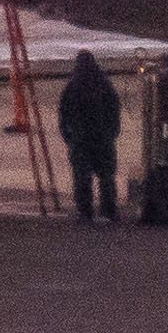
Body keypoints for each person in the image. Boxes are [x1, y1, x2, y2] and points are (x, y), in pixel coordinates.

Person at [57, 48, 123, 224]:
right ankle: (108, 210)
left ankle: (85, 211)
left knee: (82, 177)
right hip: (101, 138)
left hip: (81, 139)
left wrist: (67, 134)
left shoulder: (73, 86)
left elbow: (63, 113)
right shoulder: (103, 83)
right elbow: (114, 108)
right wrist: (113, 130)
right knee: (106, 176)